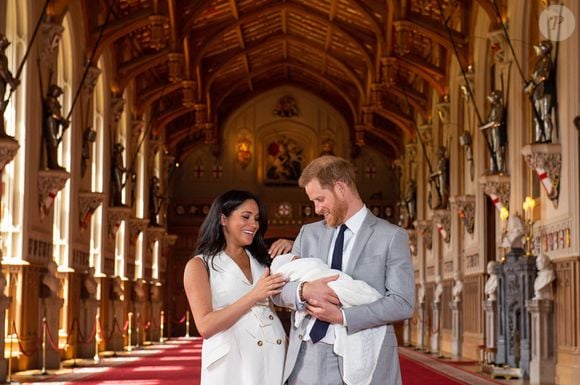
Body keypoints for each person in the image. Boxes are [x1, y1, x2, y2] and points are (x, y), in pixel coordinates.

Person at [273, 155, 414, 385]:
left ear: (340, 188)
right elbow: (279, 291)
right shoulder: (308, 234)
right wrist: (304, 291)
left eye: (320, 199)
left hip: (362, 354)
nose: (317, 209)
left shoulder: (391, 236)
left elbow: (402, 303)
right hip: (305, 356)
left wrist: (343, 316)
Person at [183, 190, 287, 385]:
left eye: (256, 219)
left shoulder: (262, 260)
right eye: (245, 217)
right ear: (223, 219)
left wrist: (293, 247)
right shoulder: (199, 265)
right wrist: (254, 295)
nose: (254, 224)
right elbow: (205, 326)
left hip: (274, 353)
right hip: (232, 362)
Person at [524, 40, 555, 143]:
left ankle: (547, 137)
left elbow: (543, 76)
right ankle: (538, 138)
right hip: (537, 92)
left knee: (545, 116)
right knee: (537, 118)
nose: (537, 50)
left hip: (545, 90)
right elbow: (534, 77)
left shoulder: (546, 60)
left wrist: (532, 84)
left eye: (538, 48)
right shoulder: (539, 63)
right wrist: (528, 85)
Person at [479, 90, 506, 174]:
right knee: (491, 150)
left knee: (497, 149)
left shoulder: (499, 107)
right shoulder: (493, 109)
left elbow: (495, 121)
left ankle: (499, 168)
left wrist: (484, 126)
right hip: (491, 131)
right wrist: (484, 125)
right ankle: (492, 168)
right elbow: (489, 121)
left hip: (497, 131)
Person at [43, 84, 69, 170]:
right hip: (51, 122)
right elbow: (53, 113)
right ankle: (52, 163)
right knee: (53, 141)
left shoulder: (55, 103)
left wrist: (62, 121)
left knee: (55, 142)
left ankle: (54, 162)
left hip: (55, 123)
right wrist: (62, 120)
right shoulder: (50, 102)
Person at [0, 34, 19, 138]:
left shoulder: (3, 57)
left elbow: (6, 71)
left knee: (1, 107)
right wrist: (11, 82)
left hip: (2, 85)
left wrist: (12, 80)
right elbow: (2, 71)